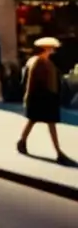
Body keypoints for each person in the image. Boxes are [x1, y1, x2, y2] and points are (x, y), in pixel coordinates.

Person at [18, 36, 72, 164]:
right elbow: (32, 82)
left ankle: (22, 141)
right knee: (44, 122)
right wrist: (30, 96)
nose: (53, 50)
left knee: (37, 121)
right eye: (51, 48)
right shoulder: (39, 61)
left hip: (46, 97)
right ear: (45, 49)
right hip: (42, 97)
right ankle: (58, 152)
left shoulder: (45, 61)